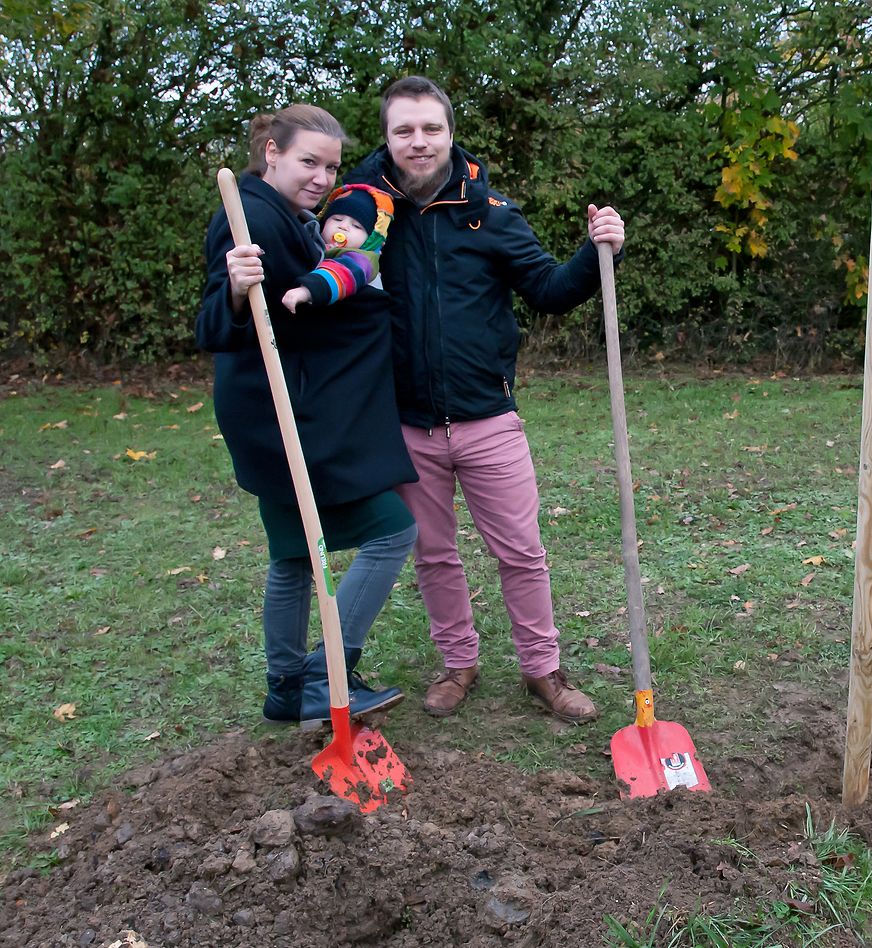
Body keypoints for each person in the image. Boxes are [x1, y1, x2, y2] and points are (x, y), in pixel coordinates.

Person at [347, 76, 626, 724]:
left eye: (431, 129)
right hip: (408, 425)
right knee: (434, 554)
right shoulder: (362, 216)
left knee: (522, 553)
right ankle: (458, 664)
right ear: (386, 137)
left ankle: (544, 671)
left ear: (450, 132)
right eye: (404, 130)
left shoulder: (491, 214)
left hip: (488, 419)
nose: (419, 142)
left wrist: (596, 251)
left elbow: (551, 290)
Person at [196, 105, 418, 727]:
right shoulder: (249, 215)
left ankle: (289, 689)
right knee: (392, 531)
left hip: (283, 411)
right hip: (281, 416)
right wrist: (237, 289)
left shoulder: (290, 215)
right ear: (270, 151)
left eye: (331, 167)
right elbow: (214, 324)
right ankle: (325, 674)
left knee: (293, 555)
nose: (322, 178)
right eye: (308, 162)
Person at [281, 183, 394, 312]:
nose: (343, 226)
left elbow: (342, 274)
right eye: (337, 219)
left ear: (370, 239)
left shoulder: (364, 260)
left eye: (357, 226)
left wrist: (307, 291)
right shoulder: (309, 238)